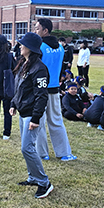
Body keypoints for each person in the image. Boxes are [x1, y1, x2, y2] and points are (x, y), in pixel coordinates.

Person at [9, 32, 54, 199]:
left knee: (26, 147)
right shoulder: (23, 64)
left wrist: (36, 118)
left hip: (32, 115)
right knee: (27, 147)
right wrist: (14, 104)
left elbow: (42, 95)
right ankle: (33, 177)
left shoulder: (39, 68)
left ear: (31, 48)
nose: (20, 46)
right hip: (23, 112)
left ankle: (44, 182)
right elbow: (19, 87)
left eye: (23, 44)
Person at [33, 19, 76, 161]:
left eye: (37, 28)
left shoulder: (40, 47)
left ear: (45, 31)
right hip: (54, 88)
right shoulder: (60, 47)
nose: (35, 30)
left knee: (38, 121)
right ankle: (64, 153)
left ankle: (41, 153)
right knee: (56, 121)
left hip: (40, 89)